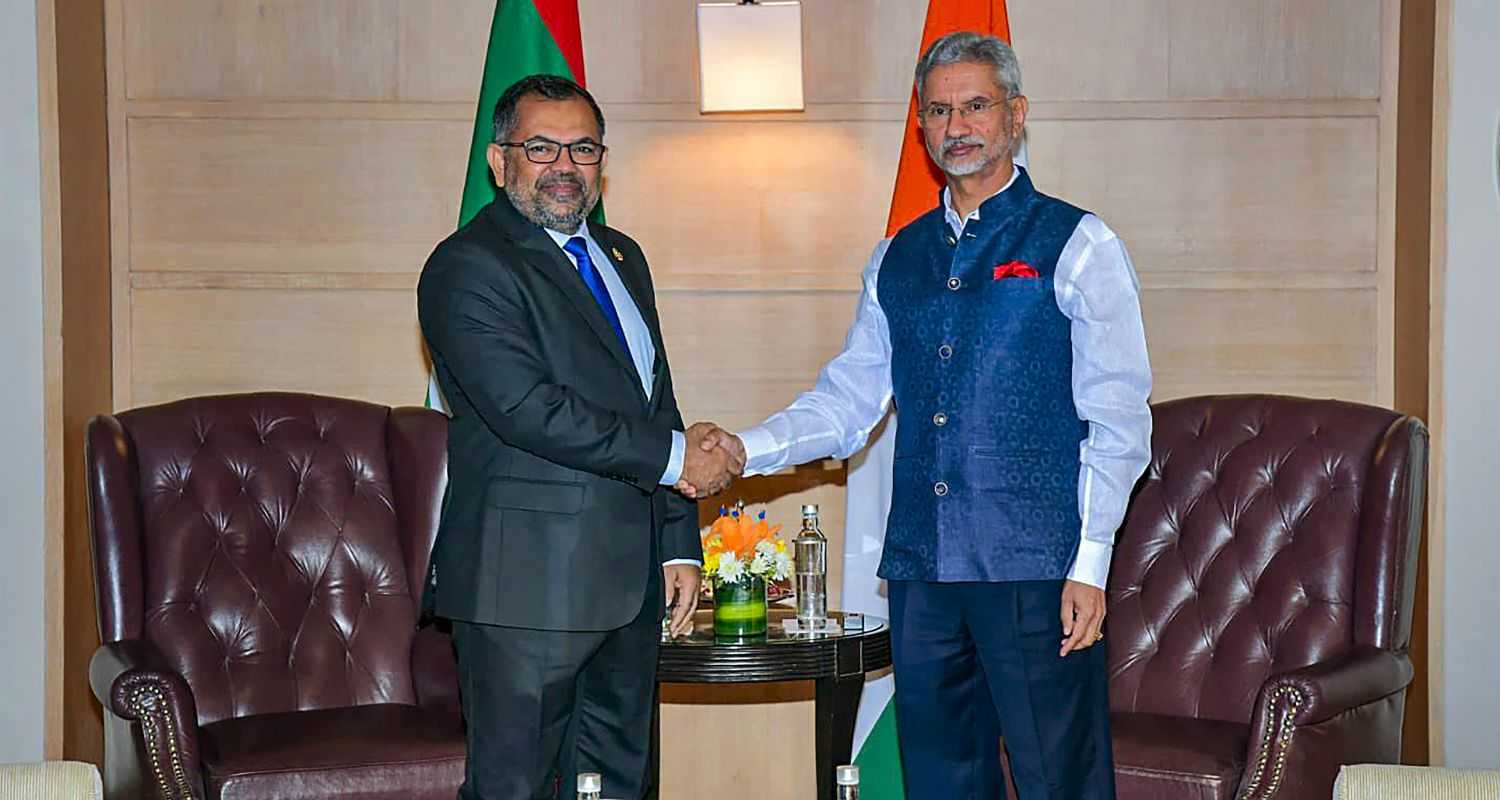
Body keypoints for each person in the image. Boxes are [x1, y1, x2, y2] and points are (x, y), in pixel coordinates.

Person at [686, 32, 1153, 799]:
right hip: (923, 571)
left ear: (1016, 115)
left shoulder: (1080, 242)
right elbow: (848, 400)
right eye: (939, 110)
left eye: (975, 106)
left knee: (1059, 779)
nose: (957, 125)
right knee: (939, 781)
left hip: (1038, 571)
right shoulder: (895, 256)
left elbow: (1119, 417)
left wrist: (1092, 562)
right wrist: (745, 447)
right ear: (921, 126)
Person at [417, 74, 735, 800]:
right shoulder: (466, 267)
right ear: (500, 163)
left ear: (602, 160)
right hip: (522, 594)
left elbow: (657, 398)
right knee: (514, 789)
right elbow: (528, 408)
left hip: (628, 591)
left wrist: (678, 540)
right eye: (541, 147)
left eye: (583, 148)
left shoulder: (624, 256)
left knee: (619, 787)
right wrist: (683, 460)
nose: (565, 165)